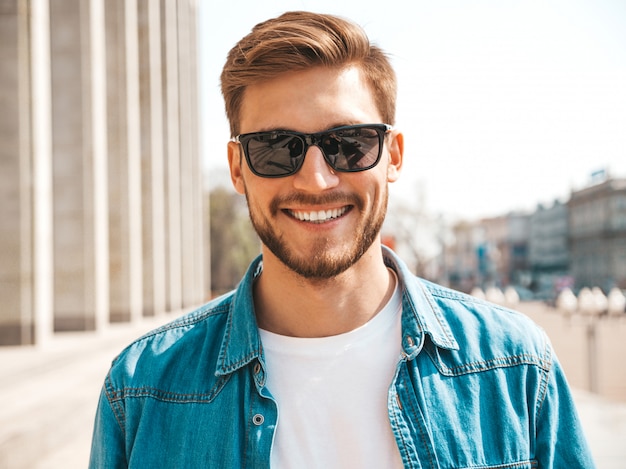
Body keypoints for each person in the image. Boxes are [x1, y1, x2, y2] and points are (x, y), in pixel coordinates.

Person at [89, 11, 596, 468]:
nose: (316, 180)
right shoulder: (141, 390)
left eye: (348, 144)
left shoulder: (516, 367)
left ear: (393, 155)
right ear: (238, 168)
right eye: (275, 148)